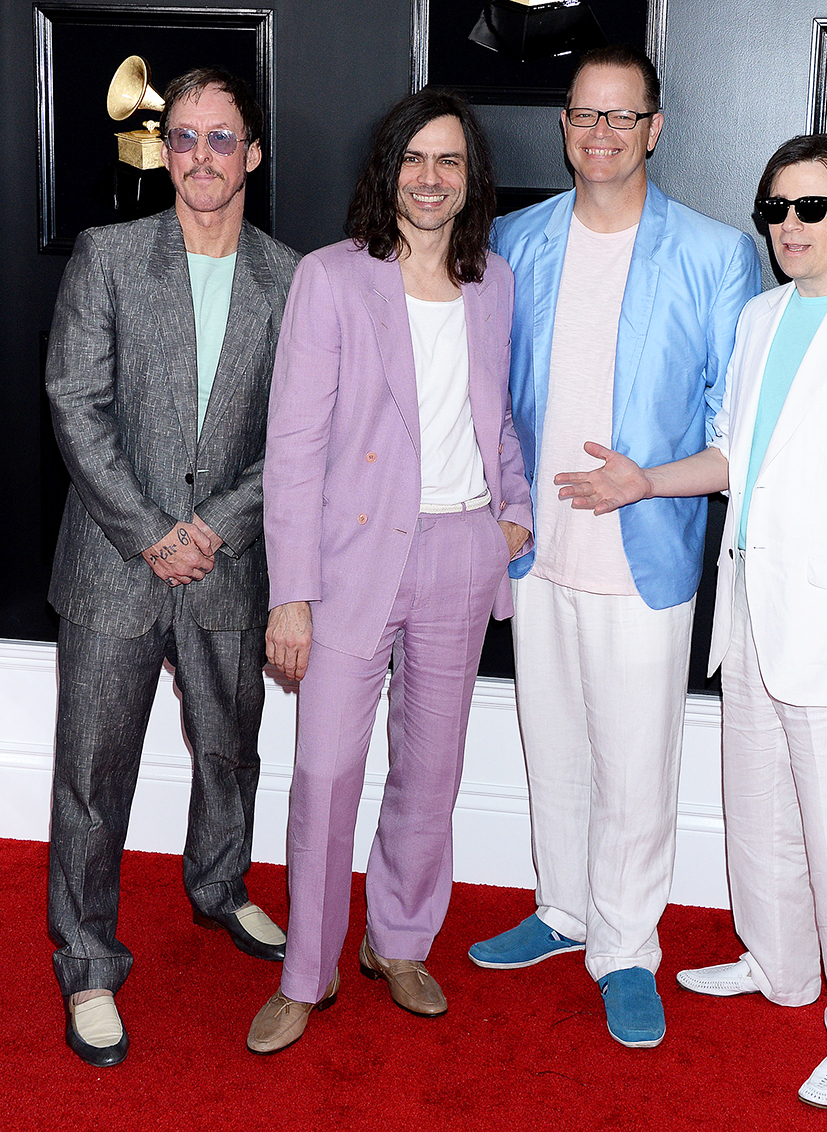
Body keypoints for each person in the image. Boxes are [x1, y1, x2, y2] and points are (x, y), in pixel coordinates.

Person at [554, 132, 827, 1105]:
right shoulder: (756, 319)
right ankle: (781, 964)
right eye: (775, 210)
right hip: (750, 605)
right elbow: (730, 456)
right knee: (755, 812)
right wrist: (642, 482)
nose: (788, 226)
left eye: (810, 208)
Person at [466, 44, 760, 1049]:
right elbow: (485, 397)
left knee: (636, 766)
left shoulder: (717, 254)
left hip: (648, 552)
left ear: (654, 129)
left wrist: (648, 481)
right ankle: (563, 911)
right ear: (563, 126)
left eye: (619, 117)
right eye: (582, 116)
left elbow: (738, 432)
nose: (598, 134)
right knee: (551, 748)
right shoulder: (513, 240)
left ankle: (626, 948)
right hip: (533, 551)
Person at [246, 88, 532, 1055]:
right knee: (325, 771)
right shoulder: (331, 278)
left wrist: (514, 515)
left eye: (449, 162)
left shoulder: (492, 282)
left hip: (459, 550)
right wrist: (292, 592)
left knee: (431, 770)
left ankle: (400, 941)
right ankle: (308, 970)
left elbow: (496, 420)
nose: (431, 178)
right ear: (389, 171)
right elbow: (293, 446)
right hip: (351, 558)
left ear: (469, 179)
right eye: (415, 159)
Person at [46, 67, 300, 1068]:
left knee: (229, 749)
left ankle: (220, 884)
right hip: (116, 563)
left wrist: (217, 527)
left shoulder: (291, 278)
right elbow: (74, 401)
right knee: (90, 776)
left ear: (252, 154)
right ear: (167, 151)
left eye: (222, 138)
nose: (201, 156)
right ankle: (87, 962)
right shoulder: (108, 257)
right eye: (184, 137)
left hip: (229, 565)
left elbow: (299, 433)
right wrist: (151, 528)